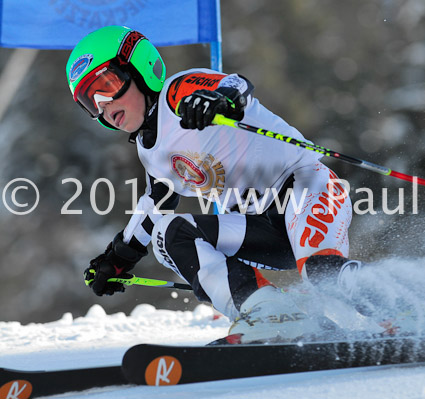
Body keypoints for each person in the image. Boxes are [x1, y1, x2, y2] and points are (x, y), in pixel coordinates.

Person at [66, 25, 364, 343]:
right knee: (171, 237)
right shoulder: (150, 149)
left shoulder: (178, 93)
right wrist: (118, 258)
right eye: (90, 101)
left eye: (107, 86)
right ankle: (269, 314)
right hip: (260, 225)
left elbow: (237, 86)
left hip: (303, 187)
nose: (104, 107)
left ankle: (401, 304)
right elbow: (156, 203)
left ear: (139, 70)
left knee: (321, 272)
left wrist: (219, 100)